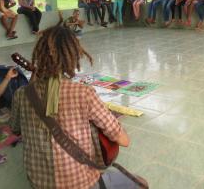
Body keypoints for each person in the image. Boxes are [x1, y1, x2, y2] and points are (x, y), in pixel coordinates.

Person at [10, 22, 145, 189]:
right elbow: (123, 140)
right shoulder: (83, 93)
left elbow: (15, 129)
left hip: (38, 183)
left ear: (39, 54)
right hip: (80, 183)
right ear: (73, 56)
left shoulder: (22, 94)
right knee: (141, 183)